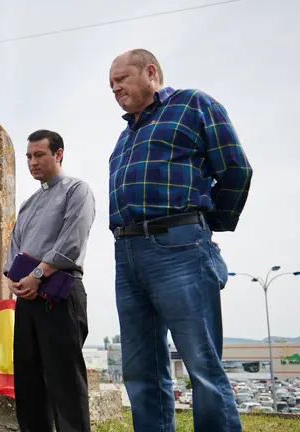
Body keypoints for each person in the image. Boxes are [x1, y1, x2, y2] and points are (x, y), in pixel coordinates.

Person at [107, 48, 253, 431]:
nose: (115, 87)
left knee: (202, 365)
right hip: (127, 254)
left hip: (178, 246)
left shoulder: (192, 104)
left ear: (150, 72)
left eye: (121, 78)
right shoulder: (127, 135)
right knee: (141, 371)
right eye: (111, 84)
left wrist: (205, 227)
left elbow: (235, 168)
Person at [3, 129, 96, 432]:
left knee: (65, 382)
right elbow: (14, 247)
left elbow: (71, 242)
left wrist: (37, 275)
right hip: (27, 299)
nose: (32, 162)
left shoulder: (76, 190)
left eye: (39, 155)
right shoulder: (28, 204)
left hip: (59, 293)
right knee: (28, 382)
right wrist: (13, 280)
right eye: (29, 156)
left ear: (58, 154)